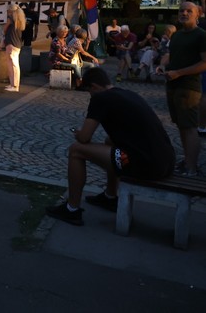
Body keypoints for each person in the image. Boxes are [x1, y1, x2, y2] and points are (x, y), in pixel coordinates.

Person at [45, 68, 176, 225]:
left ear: (94, 86)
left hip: (146, 165)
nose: (90, 96)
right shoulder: (128, 94)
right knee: (109, 142)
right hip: (166, 161)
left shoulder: (100, 99)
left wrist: (78, 133)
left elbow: (85, 138)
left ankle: (71, 209)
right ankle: (110, 197)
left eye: (89, 92)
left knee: (76, 150)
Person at [157, 1, 206, 176]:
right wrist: (163, 66)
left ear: (197, 14)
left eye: (189, 11)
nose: (184, 13)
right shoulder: (176, 35)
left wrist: (179, 73)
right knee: (181, 125)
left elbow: (204, 63)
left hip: (189, 87)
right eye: (181, 10)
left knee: (190, 127)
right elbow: (170, 55)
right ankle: (187, 161)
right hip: (172, 85)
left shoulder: (201, 35)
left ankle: (192, 168)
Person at [3, 4, 25, 92]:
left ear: (11, 11)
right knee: (14, 65)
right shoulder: (20, 20)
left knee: (12, 65)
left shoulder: (10, 19)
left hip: (11, 42)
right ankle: (13, 84)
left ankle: (14, 85)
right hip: (17, 43)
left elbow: (5, 29)